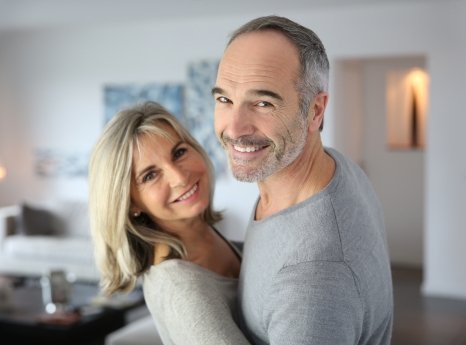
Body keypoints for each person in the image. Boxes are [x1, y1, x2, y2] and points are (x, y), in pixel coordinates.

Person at [213, 16, 393, 344]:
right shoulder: (334, 167)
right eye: (225, 99)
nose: (235, 127)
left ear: (315, 111)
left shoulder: (312, 281)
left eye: (263, 103)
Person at [88, 102, 250, 345]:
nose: (179, 177)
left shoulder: (204, 235)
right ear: (131, 203)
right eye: (150, 175)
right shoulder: (180, 287)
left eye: (179, 153)